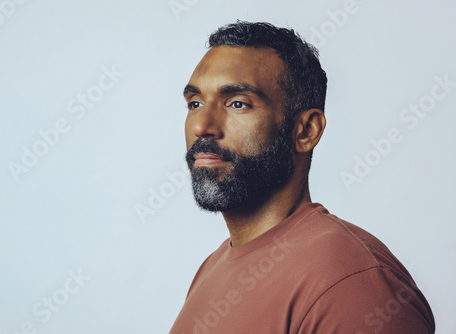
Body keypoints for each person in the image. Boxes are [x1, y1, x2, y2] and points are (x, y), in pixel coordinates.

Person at [170, 21, 435, 334]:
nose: (202, 125)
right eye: (195, 103)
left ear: (306, 130)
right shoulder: (211, 269)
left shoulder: (349, 283)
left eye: (238, 103)